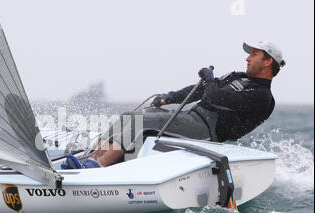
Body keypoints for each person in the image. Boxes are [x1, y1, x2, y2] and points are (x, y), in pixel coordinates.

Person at [62, 41, 286, 169]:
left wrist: (209, 78)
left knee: (141, 121)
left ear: (267, 62)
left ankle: (97, 168)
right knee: (130, 115)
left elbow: (216, 97)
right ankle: (90, 160)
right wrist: (169, 97)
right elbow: (199, 90)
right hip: (193, 117)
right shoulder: (237, 76)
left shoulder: (262, 96)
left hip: (208, 132)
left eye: (254, 55)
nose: (247, 58)